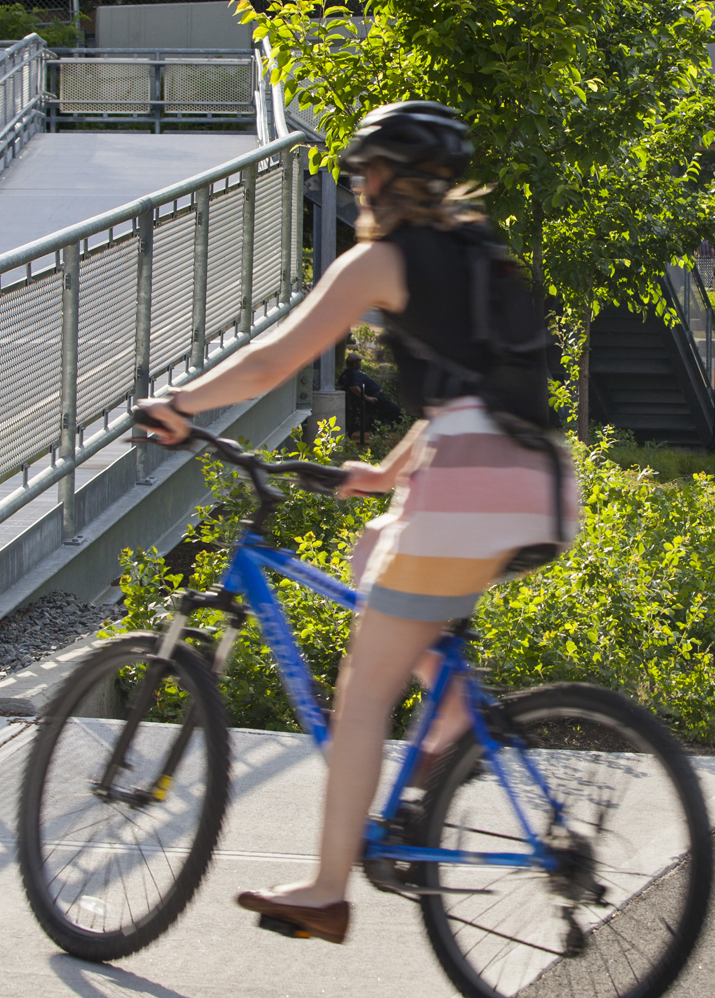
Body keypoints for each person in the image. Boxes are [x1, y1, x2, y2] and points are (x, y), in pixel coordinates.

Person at [134, 99, 577, 947]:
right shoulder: (481, 252)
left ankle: (328, 887)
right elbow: (473, 393)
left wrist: (181, 405)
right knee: (381, 555)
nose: (358, 186)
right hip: (539, 481)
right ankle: (448, 718)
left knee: (363, 686)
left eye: (364, 170)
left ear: (387, 176)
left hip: (469, 490)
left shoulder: (383, 260)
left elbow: (277, 357)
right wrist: (384, 471)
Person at [340, 351, 401, 442]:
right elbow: (354, 387)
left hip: (369, 400)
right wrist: (366, 397)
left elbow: (342, 382)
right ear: (355, 362)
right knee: (396, 410)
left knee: (386, 410)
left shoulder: (347, 373)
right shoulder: (353, 373)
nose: (360, 363)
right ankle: (384, 425)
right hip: (373, 400)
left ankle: (383, 424)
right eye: (359, 361)